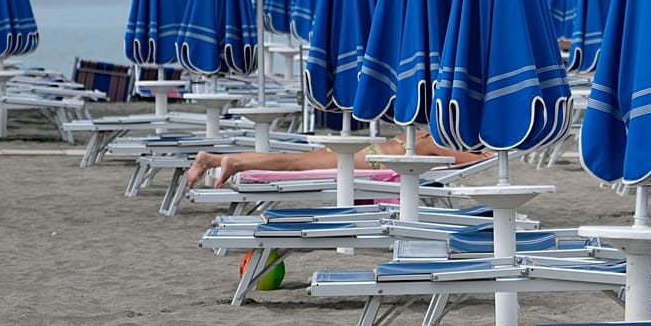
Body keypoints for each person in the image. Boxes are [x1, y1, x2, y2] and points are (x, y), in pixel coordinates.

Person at [184, 128, 490, 189]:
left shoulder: (424, 131)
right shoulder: (437, 140)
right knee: (293, 163)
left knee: (293, 160)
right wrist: (490, 153)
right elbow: (468, 161)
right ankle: (233, 163)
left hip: (365, 154)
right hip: (367, 161)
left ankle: (212, 159)